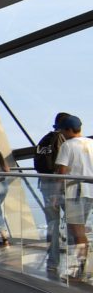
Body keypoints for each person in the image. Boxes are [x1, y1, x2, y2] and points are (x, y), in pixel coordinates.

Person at [55, 114, 93, 279]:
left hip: (74, 193)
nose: (60, 133)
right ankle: (81, 266)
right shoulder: (91, 143)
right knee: (80, 229)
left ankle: (78, 270)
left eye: (62, 130)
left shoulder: (67, 145)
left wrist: (56, 194)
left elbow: (61, 172)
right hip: (90, 191)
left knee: (77, 231)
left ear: (69, 130)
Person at [35, 112, 70, 275]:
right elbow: (65, 165)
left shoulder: (44, 139)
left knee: (52, 225)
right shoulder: (65, 140)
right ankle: (74, 263)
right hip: (62, 186)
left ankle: (53, 262)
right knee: (74, 224)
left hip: (45, 184)